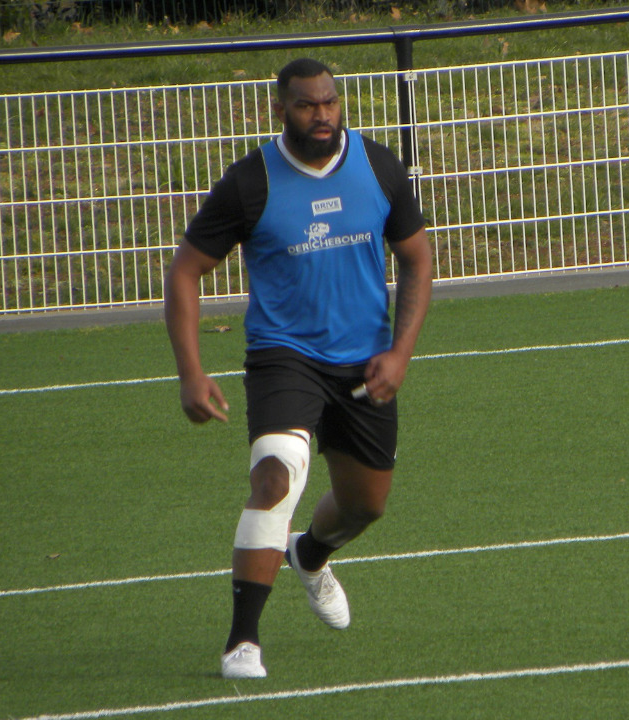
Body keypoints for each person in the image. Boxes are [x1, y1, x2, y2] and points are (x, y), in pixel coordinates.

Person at [164, 58, 433, 680]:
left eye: (330, 102)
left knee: (366, 506)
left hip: (364, 362)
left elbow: (417, 259)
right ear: (280, 109)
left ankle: (308, 555)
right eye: (308, 105)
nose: (322, 115)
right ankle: (242, 642)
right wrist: (190, 372)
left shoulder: (379, 167)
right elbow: (185, 270)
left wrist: (400, 353)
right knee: (276, 478)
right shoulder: (250, 182)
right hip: (284, 356)